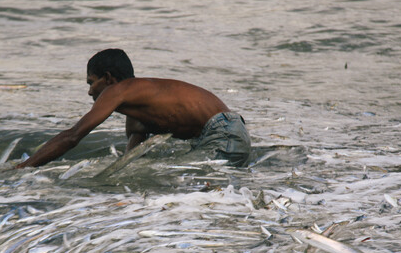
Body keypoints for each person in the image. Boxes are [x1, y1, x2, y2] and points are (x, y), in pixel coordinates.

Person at [16, 49, 251, 169]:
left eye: (91, 82)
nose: (89, 92)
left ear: (108, 78)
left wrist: (25, 167)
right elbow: (133, 160)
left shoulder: (119, 90)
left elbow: (73, 136)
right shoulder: (137, 109)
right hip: (229, 132)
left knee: (196, 188)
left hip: (222, 132)